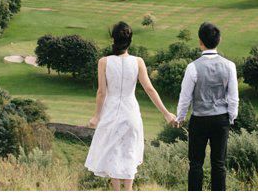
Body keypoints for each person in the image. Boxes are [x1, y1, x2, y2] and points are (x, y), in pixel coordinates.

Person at [85, 22, 177, 191]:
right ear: (130, 40)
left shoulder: (104, 62)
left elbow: (101, 93)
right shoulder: (138, 61)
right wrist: (166, 113)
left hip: (111, 113)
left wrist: (96, 116)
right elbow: (149, 89)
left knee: (113, 152)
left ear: (113, 39)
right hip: (131, 113)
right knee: (129, 152)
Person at [175, 22, 240, 191]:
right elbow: (234, 97)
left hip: (200, 120)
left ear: (200, 41)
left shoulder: (193, 67)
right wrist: (231, 117)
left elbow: (185, 97)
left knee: (196, 164)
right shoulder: (230, 66)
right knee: (219, 163)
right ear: (219, 40)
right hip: (221, 119)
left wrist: (180, 117)